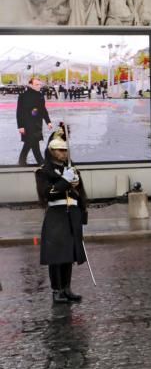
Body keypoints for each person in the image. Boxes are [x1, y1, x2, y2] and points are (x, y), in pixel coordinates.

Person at [36, 126, 88, 303]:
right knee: (56, 255)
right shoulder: (43, 171)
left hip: (71, 214)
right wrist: (64, 181)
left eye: (65, 150)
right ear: (51, 151)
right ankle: (57, 291)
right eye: (60, 150)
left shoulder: (72, 168)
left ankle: (66, 288)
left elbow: (81, 194)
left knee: (69, 254)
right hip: (56, 214)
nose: (64, 153)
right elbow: (48, 193)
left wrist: (76, 183)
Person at [17, 76, 53, 166]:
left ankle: (21, 161)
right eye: (36, 84)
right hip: (27, 124)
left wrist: (48, 121)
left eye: (40, 85)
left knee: (29, 143)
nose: (39, 86)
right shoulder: (23, 96)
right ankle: (41, 161)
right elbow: (19, 112)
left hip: (37, 123)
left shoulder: (40, 95)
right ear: (30, 85)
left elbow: (43, 110)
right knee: (34, 141)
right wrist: (20, 126)